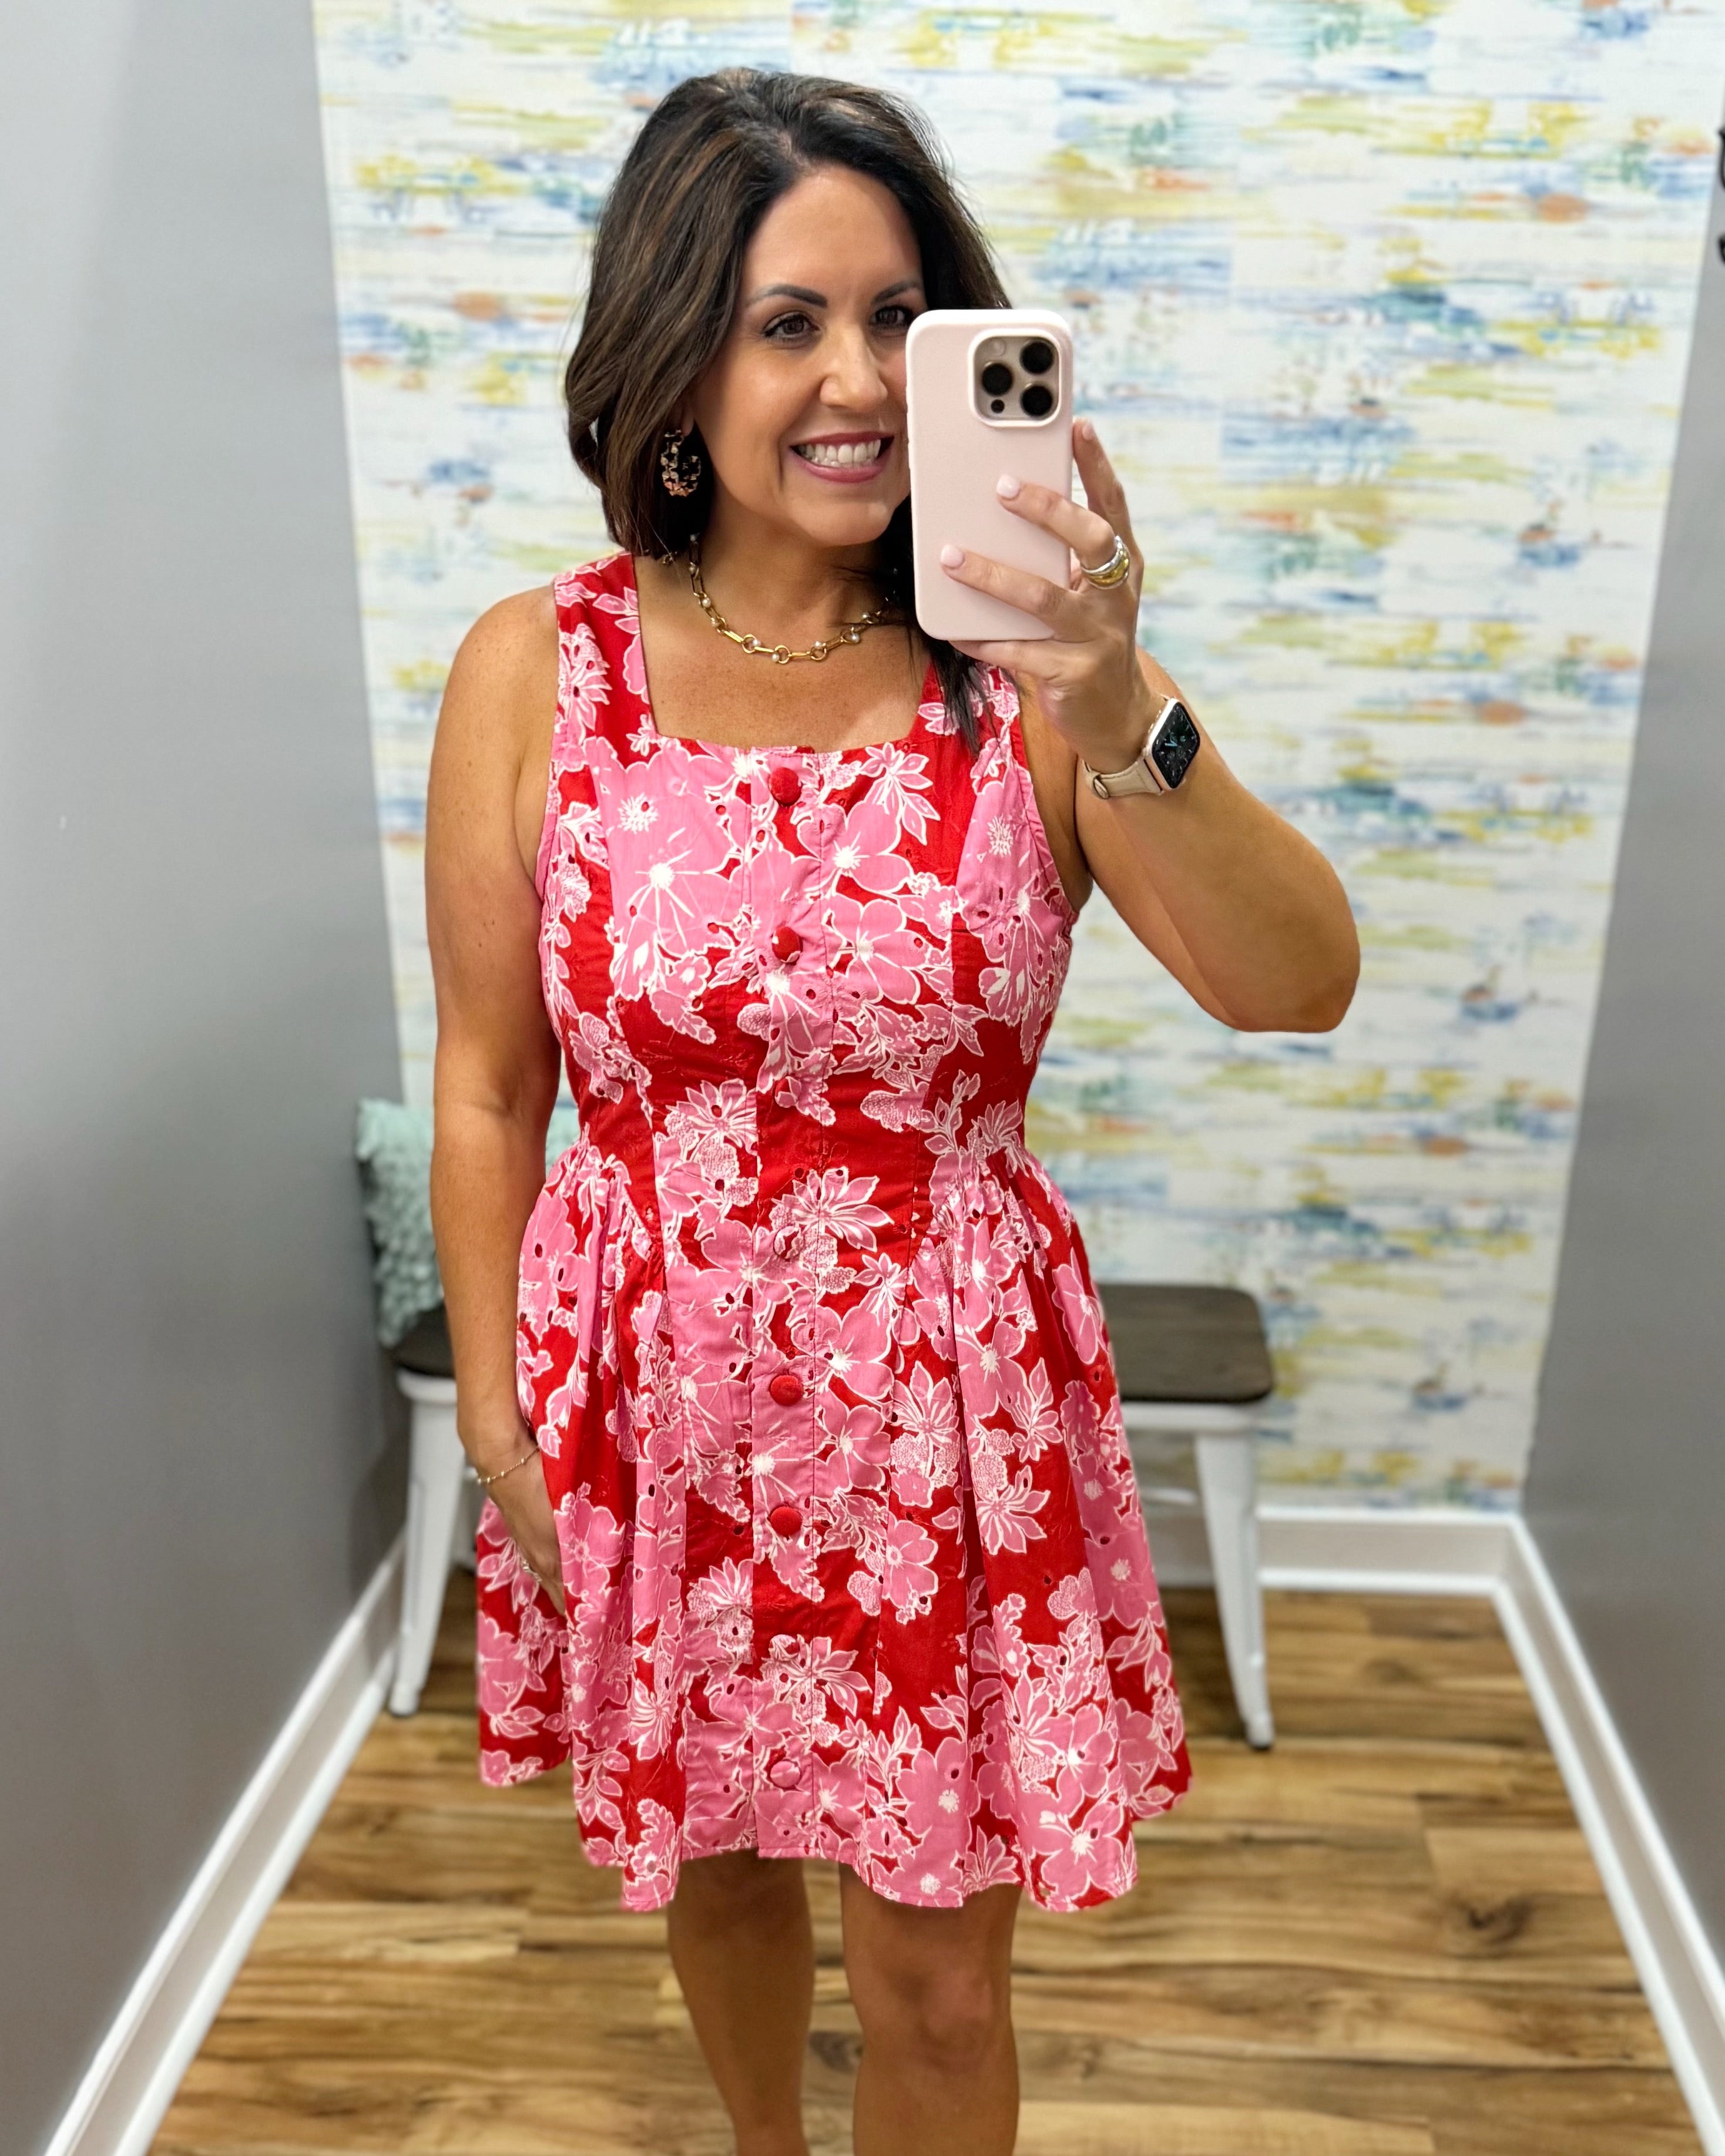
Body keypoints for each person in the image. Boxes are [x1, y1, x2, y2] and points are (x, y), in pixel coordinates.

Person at [425, 66, 1357, 2156]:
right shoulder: (532, 671)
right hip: (654, 1390)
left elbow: (1295, 985)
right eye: (786, 322)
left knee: (941, 1977)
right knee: (726, 1867)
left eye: (896, 316)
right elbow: (491, 1086)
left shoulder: (1018, 681)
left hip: (946, 1407)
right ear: (670, 354)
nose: (854, 379)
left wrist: (1113, 683)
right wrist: (499, 1419)